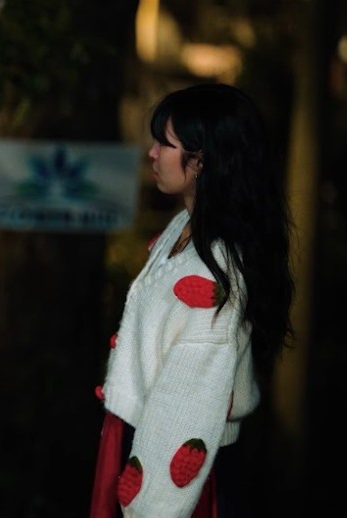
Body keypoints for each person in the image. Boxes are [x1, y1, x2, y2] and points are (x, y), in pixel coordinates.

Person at [90, 83, 294, 517]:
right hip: (144, 442)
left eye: (164, 144)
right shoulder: (182, 228)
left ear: (201, 161)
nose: (151, 153)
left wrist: (151, 503)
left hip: (171, 469)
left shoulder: (214, 270)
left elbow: (186, 403)